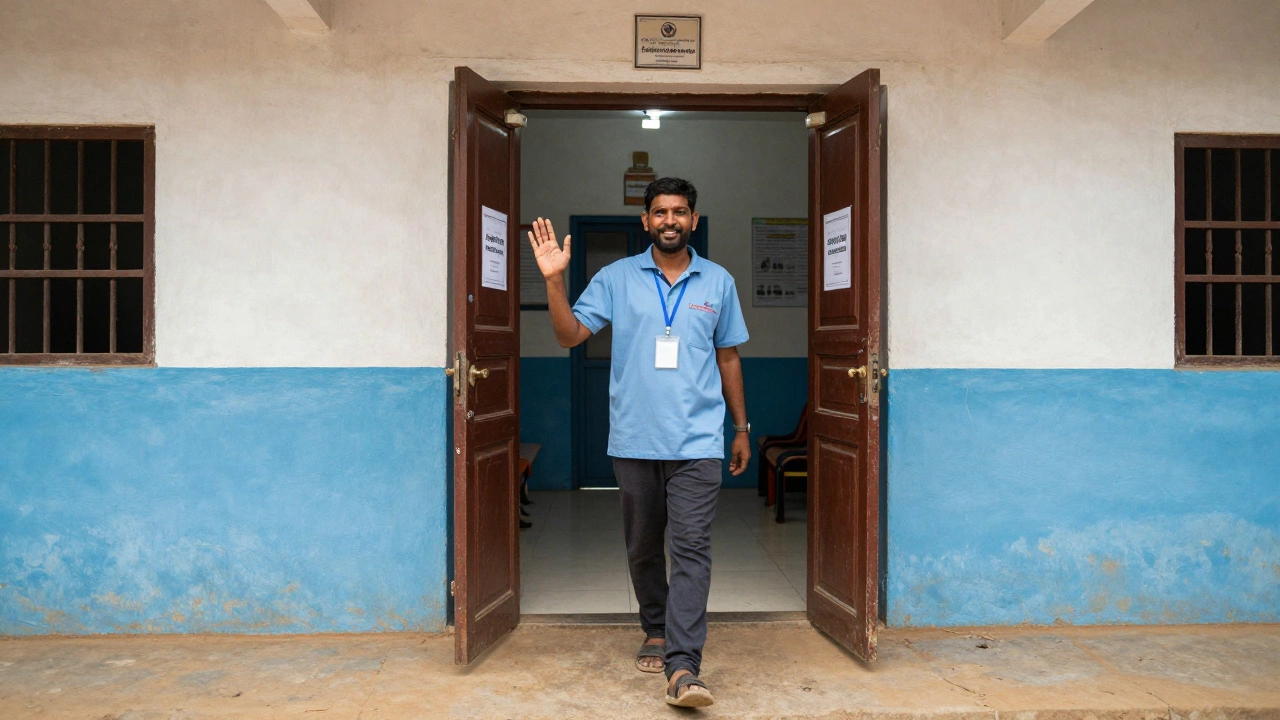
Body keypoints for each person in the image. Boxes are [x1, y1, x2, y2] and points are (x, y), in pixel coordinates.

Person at [527, 177, 751, 708]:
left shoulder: (718, 282)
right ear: (645, 221)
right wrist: (554, 282)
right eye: (659, 212)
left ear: (694, 220)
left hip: (697, 441)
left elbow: (728, 358)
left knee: (692, 546)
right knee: (644, 545)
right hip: (634, 439)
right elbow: (569, 336)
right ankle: (655, 625)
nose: (669, 220)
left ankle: (684, 666)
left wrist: (741, 428)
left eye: (679, 212)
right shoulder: (616, 278)